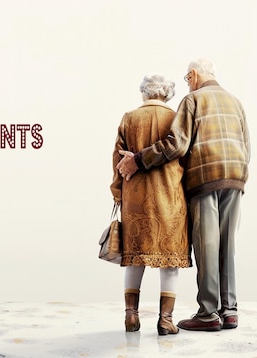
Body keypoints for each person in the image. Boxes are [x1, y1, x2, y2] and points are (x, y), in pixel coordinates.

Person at [116, 58, 251, 331]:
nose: (187, 85)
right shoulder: (235, 102)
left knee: (206, 246)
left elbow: (177, 144)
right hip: (233, 178)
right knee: (227, 246)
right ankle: (229, 311)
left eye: (187, 79)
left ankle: (207, 314)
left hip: (203, 180)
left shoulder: (191, 102)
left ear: (193, 75)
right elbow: (246, 144)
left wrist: (136, 163)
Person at [110, 73, 192, 335]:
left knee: (135, 258)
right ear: (167, 93)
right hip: (170, 197)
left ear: (144, 92)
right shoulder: (175, 119)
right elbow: (186, 157)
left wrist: (116, 192)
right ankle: (166, 320)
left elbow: (117, 160)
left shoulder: (129, 118)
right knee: (170, 261)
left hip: (135, 198)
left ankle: (131, 316)